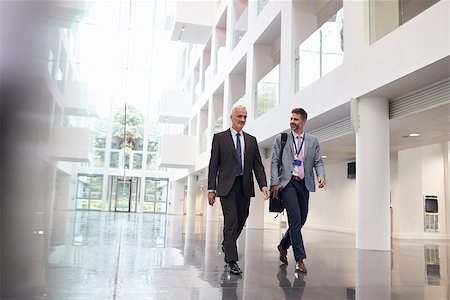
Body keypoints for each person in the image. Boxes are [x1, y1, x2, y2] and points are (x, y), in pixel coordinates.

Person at [208, 105, 270, 275]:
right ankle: (232, 260)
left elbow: (257, 165)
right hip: (227, 186)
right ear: (231, 117)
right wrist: (211, 188)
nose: (242, 120)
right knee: (232, 220)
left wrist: (263, 185)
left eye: (245, 117)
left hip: (245, 185)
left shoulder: (251, 140)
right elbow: (214, 165)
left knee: (242, 218)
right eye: (239, 116)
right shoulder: (220, 138)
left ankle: (227, 243)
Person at [270, 108, 325, 273]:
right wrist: (274, 182)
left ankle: (283, 244)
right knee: (294, 220)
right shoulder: (282, 138)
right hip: (287, 185)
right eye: (291, 118)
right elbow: (274, 162)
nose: (292, 121)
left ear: (304, 121)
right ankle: (300, 259)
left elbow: (318, 162)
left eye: (296, 119)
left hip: (304, 184)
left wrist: (320, 176)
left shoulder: (313, 141)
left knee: (301, 220)